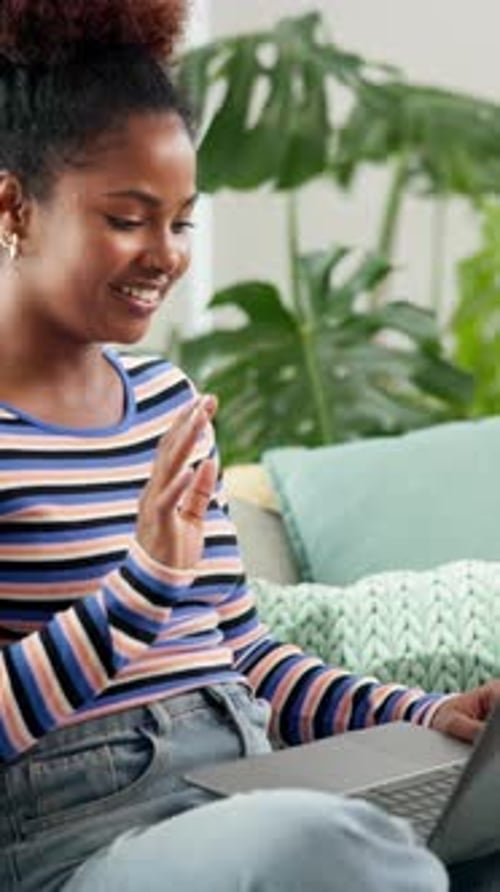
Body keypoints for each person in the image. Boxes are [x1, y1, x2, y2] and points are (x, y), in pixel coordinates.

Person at [0, 2, 498, 890]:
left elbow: (245, 657)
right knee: (317, 840)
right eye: (127, 219)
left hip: (243, 793)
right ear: (14, 206)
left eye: (181, 222)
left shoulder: (164, 402)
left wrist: (426, 715)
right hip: (78, 846)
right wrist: (140, 588)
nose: (165, 255)